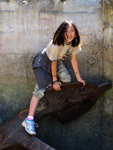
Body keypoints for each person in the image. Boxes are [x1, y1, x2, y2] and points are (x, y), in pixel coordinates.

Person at [22, 20, 85, 135]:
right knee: (39, 90)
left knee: (67, 79)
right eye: (66, 31)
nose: (70, 34)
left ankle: (52, 87)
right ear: (61, 33)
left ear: (75, 32)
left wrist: (79, 78)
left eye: (72, 31)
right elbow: (53, 63)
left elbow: (73, 59)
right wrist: (55, 81)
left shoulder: (74, 43)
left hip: (56, 61)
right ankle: (28, 120)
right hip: (43, 62)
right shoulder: (56, 45)